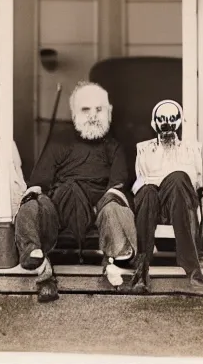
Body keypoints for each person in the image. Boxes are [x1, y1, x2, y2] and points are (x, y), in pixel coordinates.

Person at [14, 81, 137, 302]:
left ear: (108, 112)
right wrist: (41, 198)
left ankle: (116, 259)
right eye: (86, 109)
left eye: (99, 109)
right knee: (31, 205)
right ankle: (39, 262)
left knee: (115, 208)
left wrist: (98, 205)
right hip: (60, 205)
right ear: (74, 114)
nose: (93, 115)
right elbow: (39, 181)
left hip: (98, 207)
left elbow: (118, 184)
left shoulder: (114, 146)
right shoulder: (59, 141)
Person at [129, 99, 203, 293]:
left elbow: (196, 183)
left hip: (179, 204)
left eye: (172, 119)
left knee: (178, 179)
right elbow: (140, 183)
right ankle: (141, 270)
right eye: (162, 119)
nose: (166, 124)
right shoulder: (144, 149)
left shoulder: (191, 150)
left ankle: (192, 268)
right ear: (154, 123)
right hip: (152, 206)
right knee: (148, 192)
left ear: (179, 121)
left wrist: (170, 179)